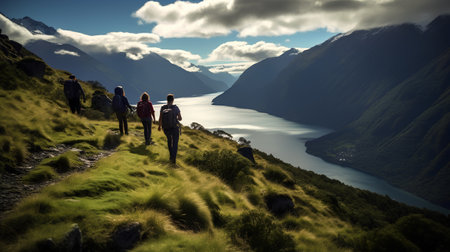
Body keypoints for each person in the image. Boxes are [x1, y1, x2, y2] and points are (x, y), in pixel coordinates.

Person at [158, 94, 182, 164]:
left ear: (167, 100)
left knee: (169, 141)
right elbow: (180, 118)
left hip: (166, 128)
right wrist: (176, 118)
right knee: (175, 143)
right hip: (174, 128)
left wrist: (159, 126)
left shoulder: (163, 107)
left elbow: (160, 118)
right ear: (173, 100)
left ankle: (171, 156)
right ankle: (173, 159)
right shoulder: (175, 108)